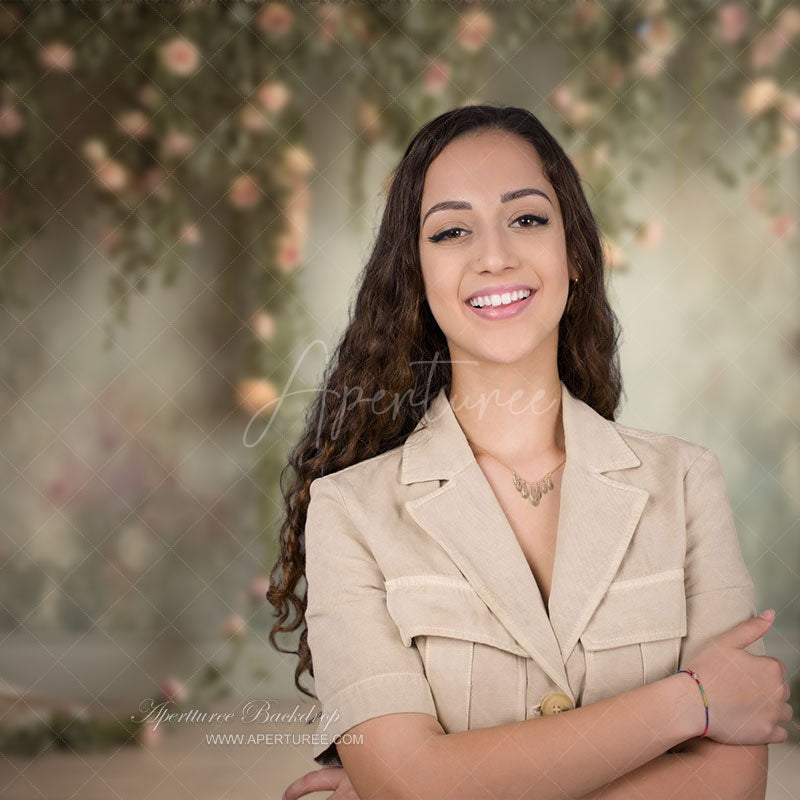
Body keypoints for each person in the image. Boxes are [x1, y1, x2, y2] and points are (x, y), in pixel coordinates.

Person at [268, 104, 791, 800]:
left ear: (573, 251)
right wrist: (689, 702)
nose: (494, 256)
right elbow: (412, 786)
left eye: (527, 218)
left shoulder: (687, 482)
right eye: (452, 231)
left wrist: (439, 784)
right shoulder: (348, 513)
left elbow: (730, 787)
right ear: (415, 276)